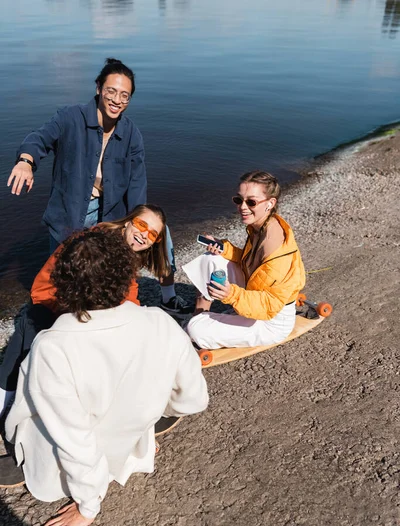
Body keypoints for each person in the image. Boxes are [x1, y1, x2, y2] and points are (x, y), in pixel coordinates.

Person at [2, 228, 209, 526]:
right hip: (126, 446)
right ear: (128, 277)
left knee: (22, 411)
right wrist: (148, 412)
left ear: (65, 285)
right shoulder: (160, 323)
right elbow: (194, 400)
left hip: (63, 472)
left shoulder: (54, 345)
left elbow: (73, 440)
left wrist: (88, 505)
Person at [6, 57, 191, 318]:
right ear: (98, 89)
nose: (117, 100)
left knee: (159, 231)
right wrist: (26, 161)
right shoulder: (70, 117)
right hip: (69, 213)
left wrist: (139, 223)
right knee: (62, 280)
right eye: (111, 91)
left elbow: (138, 182)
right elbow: (40, 138)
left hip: (111, 213)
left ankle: (168, 296)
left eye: (124, 95)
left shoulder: (131, 134)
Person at [0, 204, 170, 416]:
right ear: (128, 221)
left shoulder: (128, 254)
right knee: (32, 328)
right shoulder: (92, 244)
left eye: (153, 234)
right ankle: (9, 398)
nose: (144, 235)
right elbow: (47, 286)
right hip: (56, 307)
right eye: (141, 225)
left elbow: (129, 295)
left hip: (85, 316)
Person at [183, 170, 306, 349]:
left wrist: (232, 295)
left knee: (195, 328)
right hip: (256, 295)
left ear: (270, 203)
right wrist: (224, 248)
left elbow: (269, 305)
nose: (242, 207)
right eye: (239, 200)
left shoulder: (276, 248)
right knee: (212, 259)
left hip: (271, 320)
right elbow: (252, 263)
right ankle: (202, 312)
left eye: (251, 202)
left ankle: (201, 326)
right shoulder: (260, 226)